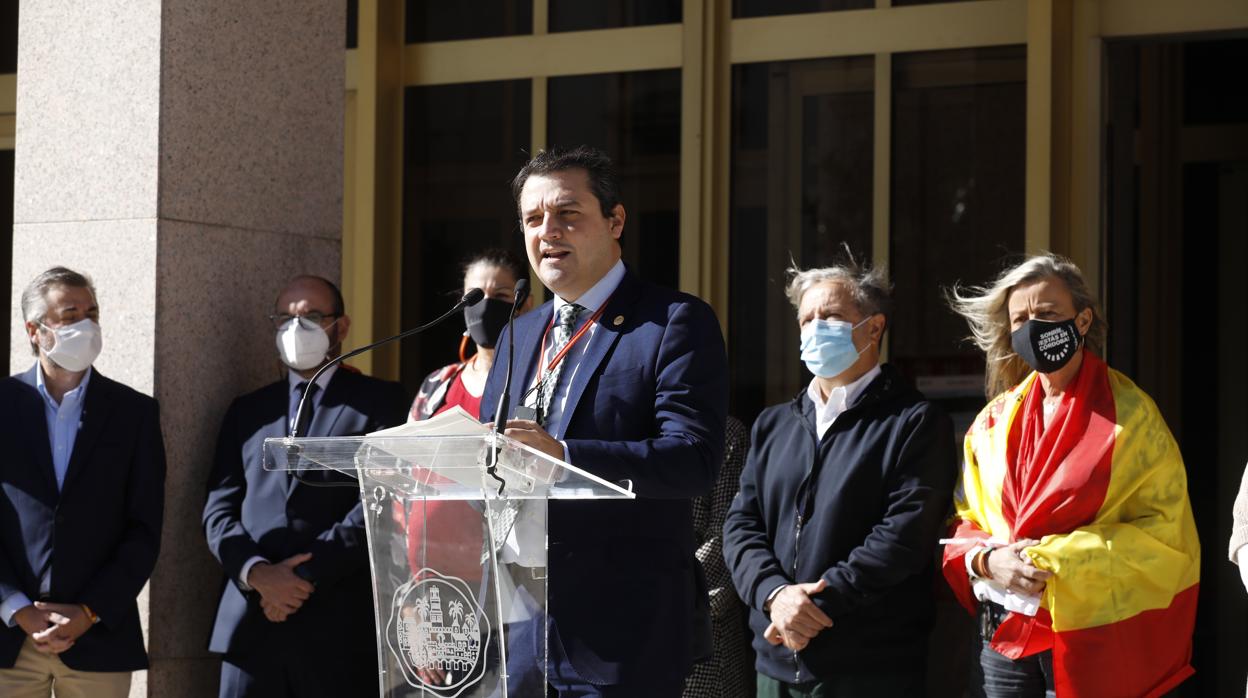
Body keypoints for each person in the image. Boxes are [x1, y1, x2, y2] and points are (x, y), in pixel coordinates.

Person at [481, 145, 729, 696]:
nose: (548, 231)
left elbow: (693, 459)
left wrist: (566, 458)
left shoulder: (671, 322)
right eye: (532, 219)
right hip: (520, 634)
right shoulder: (519, 333)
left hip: (620, 636)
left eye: (568, 213)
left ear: (615, 221)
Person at [943, 253, 1200, 698]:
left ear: (1082, 321)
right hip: (1001, 637)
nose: (1032, 329)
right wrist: (988, 561)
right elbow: (965, 519)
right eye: (1020, 319)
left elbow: (1165, 537)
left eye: (1047, 314)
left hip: (1087, 641)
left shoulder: (1133, 418)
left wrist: (1055, 560)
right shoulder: (992, 422)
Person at [723, 260, 957, 696]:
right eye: (806, 319)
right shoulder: (774, 425)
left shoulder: (915, 423)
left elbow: (903, 537)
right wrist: (775, 596)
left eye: (830, 316)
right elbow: (741, 526)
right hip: (775, 660)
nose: (815, 328)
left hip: (869, 666)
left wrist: (813, 607)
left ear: (874, 328)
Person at [202, 275, 408, 698]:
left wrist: (302, 577)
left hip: (336, 624)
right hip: (249, 624)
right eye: (286, 317)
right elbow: (218, 510)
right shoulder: (247, 410)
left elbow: (379, 503)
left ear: (342, 327)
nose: (297, 328)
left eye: (313, 316)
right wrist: (258, 574)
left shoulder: (381, 403)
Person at [0, 267, 166, 698]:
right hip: (8, 641)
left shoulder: (135, 414)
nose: (86, 325)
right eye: (70, 315)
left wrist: (89, 611)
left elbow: (144, 529)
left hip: (98, 638)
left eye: (92, 313)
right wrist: (17, 608)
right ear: (35, 330)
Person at [403, 248, 533, 583]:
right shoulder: (437, 385)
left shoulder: (535, 384)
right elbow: (404, 476)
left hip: (505, 579)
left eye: (501, 295)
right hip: (428, 572)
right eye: (474, 297)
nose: (485, 306)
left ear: (525, 304)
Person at [684, 415, 754, 698]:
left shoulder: (725, 433)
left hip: (699, 620)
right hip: (630, 625)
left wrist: (667, 602)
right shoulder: (623, 430)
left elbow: (728, 535)